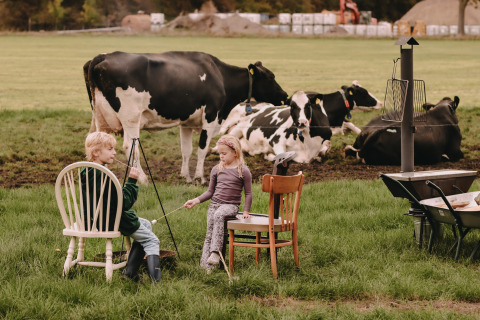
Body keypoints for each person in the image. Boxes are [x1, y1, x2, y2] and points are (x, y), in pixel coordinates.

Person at [82, 132, 161, 282]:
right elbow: (123, 204)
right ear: (96, 152)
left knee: (145, 224)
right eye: (110, 149)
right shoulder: (103, 175)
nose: (115, 152)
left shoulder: (85, 170)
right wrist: (131, 181)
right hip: (111, 220)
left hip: (96, 219)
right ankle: (156, 282)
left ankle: (130, 272)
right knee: (152, 240)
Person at [184, 135, 252, 272]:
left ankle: (215, 253)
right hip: (214, 204)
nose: (221, 156)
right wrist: (195, 201)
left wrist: (246, 211)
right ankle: (206, 267)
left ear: (235, 152)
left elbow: (249, 193)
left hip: (230, 206)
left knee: (219, 215)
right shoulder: (216, 169)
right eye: (219, 153)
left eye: (224, 153)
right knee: (209, 234)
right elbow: (210, 192)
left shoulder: (243, 170)